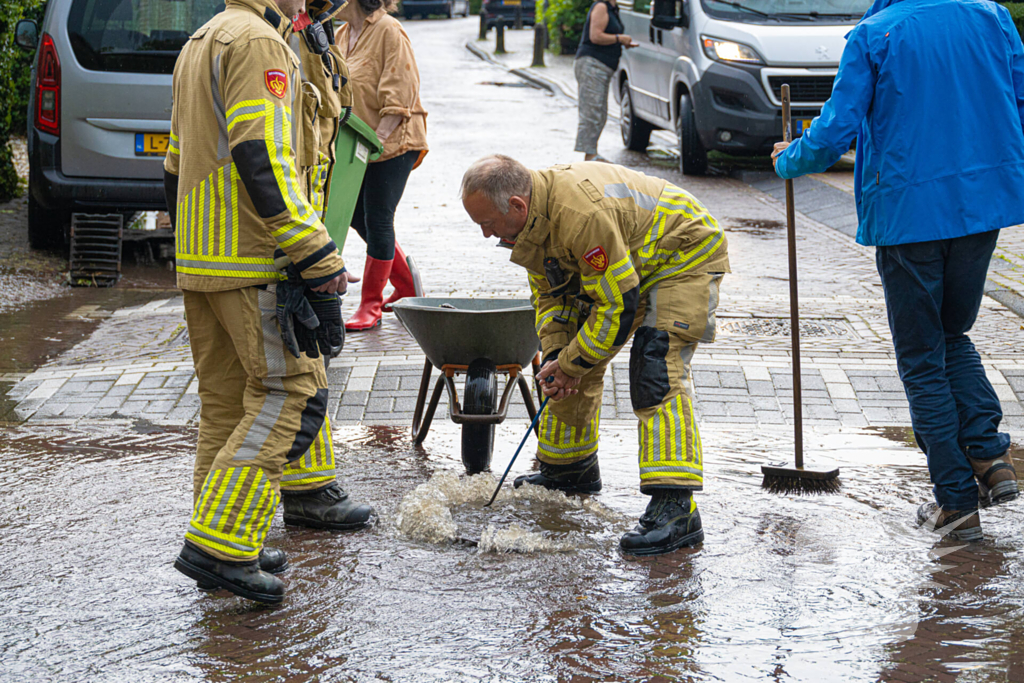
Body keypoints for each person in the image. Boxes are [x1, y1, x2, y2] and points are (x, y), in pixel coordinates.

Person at [772, 0, 1024, 541]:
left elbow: (837, 129)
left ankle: (955, 501)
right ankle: (990, 457)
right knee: (952, 332)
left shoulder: (876, 34)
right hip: (984, 204)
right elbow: (1019, 101)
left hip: (911, 213)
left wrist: (788, 158)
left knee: (921, 356)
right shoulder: (993, 17)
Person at [164, 0, 374, 604]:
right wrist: (315, 253)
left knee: (227, 404)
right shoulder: (259, 43)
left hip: (205, 258)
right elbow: (264, 155)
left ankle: (228, 537)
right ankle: (221, 547)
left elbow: (176, 163)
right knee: (289, 393)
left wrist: (185, 252)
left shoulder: (201, 39)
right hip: (255, 258)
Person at [461, 155, 729, 556]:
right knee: (568, 354)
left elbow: (617, 307)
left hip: (682, 252)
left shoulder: (579, 214)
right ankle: (571, 470)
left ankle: (676, 508)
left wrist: (573, 364)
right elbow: (549, 296)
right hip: (631, 262)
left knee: (656, 367)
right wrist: (556, 355)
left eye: (488, 224)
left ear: (517, 205)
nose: (485, 234)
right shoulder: (532, 224)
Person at [335, 0, 428, 331]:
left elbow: (402, 91)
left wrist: (378, 139)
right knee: (357, 217)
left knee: (377, 217)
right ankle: (407, 286)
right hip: (359, 144)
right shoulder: (343, 33)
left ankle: (370, 305)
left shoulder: (389, 30)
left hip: (393, 141)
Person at [574, 0, 638, 161]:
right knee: (592, 111)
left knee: (600, 112)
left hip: (601, 67)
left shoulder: (612, 8)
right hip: (592, 65)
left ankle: (591, 153)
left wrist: (623, 42)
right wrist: (619, 38)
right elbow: (595, 36)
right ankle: (589, 157)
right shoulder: (601, 6)